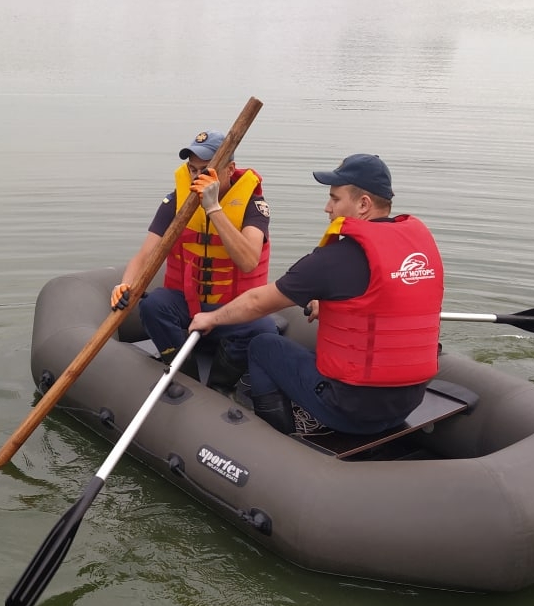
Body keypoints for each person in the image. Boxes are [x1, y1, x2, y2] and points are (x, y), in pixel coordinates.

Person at [188, 153, 443, 435]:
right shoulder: (417, 249)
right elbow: (381, 299)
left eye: (335, 199)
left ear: (363, 204)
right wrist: (334, 303)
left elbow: (258, 302)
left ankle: (282, 438)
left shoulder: (336, 258)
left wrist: (211, 319)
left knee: (263, 346)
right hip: (408, 403)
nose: (327, 208)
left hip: (353, 411)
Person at [112, 129, 278, 390]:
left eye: (205, 171)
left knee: (264, 328)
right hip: (188, 305)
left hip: (231, 310)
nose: (197, 178)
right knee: (153, 305)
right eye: (192, 170)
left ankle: (219, 387)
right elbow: (145, 254)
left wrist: (214, 208)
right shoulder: (176, 200)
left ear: (228, 169)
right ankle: (186, 376)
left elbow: (248, 260)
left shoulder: (253, 205)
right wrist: (124, 284)